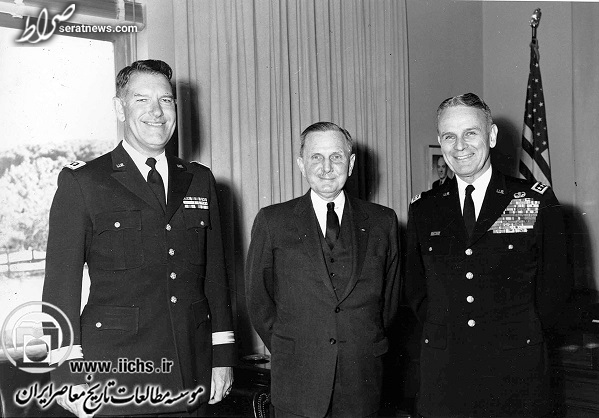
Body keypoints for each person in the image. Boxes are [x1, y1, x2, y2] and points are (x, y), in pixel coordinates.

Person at [42, 60, 235, 417]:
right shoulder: (85, 182)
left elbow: (215, 277)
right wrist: (66, 369)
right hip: (116, 374)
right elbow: (59, 286)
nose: (156, 112)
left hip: (192, 370)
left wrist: (222, 356)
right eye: (142, 100)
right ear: (119, 108)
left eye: (166, 100)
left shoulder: (199, 179)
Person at [405, 93, 571, 417]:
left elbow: (555, 290)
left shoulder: (531, 201)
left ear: (492, 136)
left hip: (515, 374)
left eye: (471, 133)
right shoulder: (424, 208)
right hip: (445, 377)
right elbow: (417, 291)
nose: (460, 146)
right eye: (449, 136)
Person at [246, 122, 400, 418]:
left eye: (336, 157)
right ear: (301, 164)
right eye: (316, 157)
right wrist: (294, 347)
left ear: (351, 164)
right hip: (298, 383)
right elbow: (259, 301)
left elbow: (389, 303)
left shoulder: (383, 222)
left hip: (361, 382)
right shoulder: (272, 221)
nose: (326, 167)